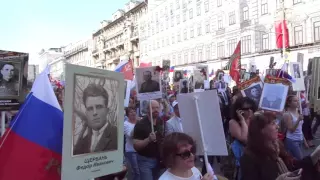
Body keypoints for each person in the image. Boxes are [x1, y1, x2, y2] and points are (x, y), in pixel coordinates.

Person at [240, 112, 320, 180]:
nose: (277, 127)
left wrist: (316, 153)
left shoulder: (277, 147)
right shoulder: (249, 158)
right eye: (273, 123)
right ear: (261, 130)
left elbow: (293, 165)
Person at [73, 83, 117, 155]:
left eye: (99, 107)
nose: (95, 113)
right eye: (90, 108)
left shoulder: (117, 135)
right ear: (86, 113)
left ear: (107, 110)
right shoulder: (82, 143)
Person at [133, 100, 166, 180]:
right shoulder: (140, 124)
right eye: (153, 108)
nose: (156, 110)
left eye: (157, 107)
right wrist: (148, 139)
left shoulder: (160, 121)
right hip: (145, 160)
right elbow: (136, 145)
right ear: (147, 110)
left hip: (158, 159)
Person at [229, 97, 257, 180]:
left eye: (251, 108)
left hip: (253, 156)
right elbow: (244, 138)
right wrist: (242, 120)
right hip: (240, 157)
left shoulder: (254, 120)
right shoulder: (233, 122)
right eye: (246, 109)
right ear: (239, 110)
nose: (249, 111)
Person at [283, 95, 306, 160]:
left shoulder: (297, 112)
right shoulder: (287, 114)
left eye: (298, 100)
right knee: (300, 159)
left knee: (295, 159)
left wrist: (305, 141)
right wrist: (298, 120)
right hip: (292, 140)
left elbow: (300, 129)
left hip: (300, 139)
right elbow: (291, 129)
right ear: (289, 103)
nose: (298, 102)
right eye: (295, 101)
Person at [124, 107, 140, 180]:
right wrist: (137, 124)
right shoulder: (125, 124)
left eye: (134, 111)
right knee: (136, 172)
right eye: (131, 112)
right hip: (131, 151)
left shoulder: (139, 122)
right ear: (127, 115)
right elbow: (130, 135)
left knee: (140, 170)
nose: (133, 113)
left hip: (140, 150)